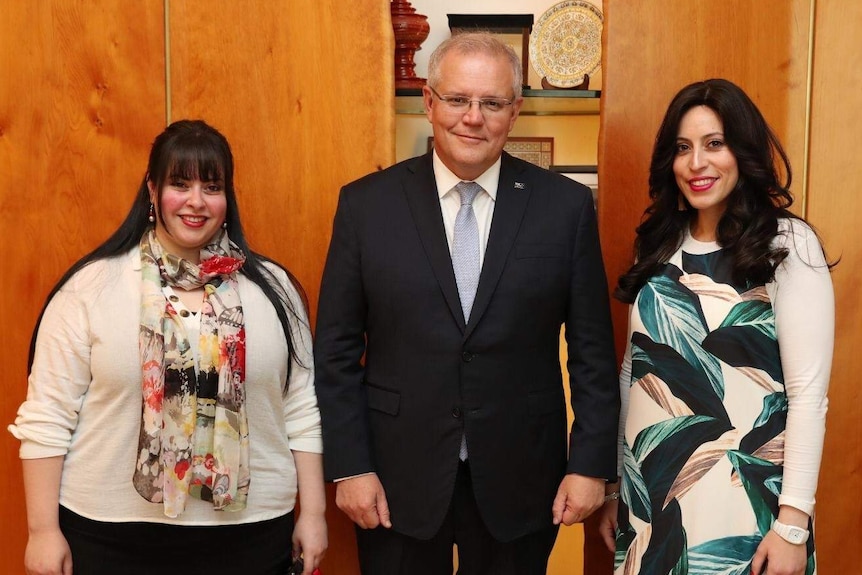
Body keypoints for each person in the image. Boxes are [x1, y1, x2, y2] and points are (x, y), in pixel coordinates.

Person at [313, 32, 619, 575]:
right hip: (392, 481)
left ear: (515, 110)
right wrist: (349, 466)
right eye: (457, 100)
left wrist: (591, 465)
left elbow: (592, 354)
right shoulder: (366, 206)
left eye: (492, 103)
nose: (472, 118)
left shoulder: (565, 209)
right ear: (430, 103)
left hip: (524, 479)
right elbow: (335, 352)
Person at [9, 120, 327, 575]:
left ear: (226, 198)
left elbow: (299, 410)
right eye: (180, 184)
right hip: (110, 534)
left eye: (211, 186)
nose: (196, 201)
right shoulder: (91, 288)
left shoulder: (274, 290)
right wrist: (42, 532)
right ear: (152, 191)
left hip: (251, 535)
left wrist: (313, 514)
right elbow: (47, 418)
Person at [599, 79, 834, 575]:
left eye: (714, 144)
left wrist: (792, 524)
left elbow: (808, 395)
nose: (696, 163)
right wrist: (619, 488)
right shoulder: (658, 245)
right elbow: (633, 374)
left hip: (747, 510)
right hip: (653, 504)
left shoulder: (787, 243)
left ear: (742, 151)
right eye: (683, 148)